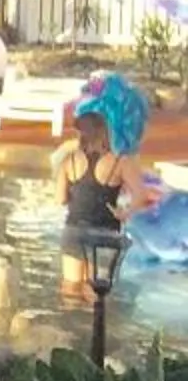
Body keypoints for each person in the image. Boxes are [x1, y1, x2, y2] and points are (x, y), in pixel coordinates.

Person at [55, 106, 131, 303]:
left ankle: (71, 329)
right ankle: (94, 330)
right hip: (104, 232)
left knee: (71, 289)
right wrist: (125, 212)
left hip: (74, 229)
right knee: (96, 292)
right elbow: (137, 196)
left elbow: (60, 199)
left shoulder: (68, 160)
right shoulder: (118, 162)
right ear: (105, 133)